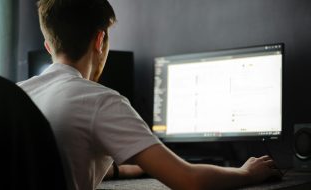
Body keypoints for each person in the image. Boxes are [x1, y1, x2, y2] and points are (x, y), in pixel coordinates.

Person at [18, 0, 281, 189]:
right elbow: (188, 180)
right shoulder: (100, 100)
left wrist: (130, 167)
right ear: (100, 41)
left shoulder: (18, 94)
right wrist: (246, 173)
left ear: (48, 44)